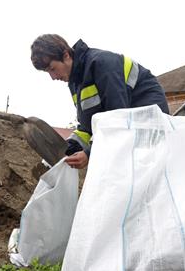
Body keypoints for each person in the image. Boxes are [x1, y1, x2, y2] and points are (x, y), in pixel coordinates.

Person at [30, 34, 169, 169]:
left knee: (135, 171)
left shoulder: (103, 64)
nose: (53, 77)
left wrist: (89, 154)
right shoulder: (75, 82)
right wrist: (67, 149)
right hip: (126, 126)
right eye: (47, 72)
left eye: (52, 69)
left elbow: (119, 120)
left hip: (148, 121)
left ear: (66, 55)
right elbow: (87, 127)